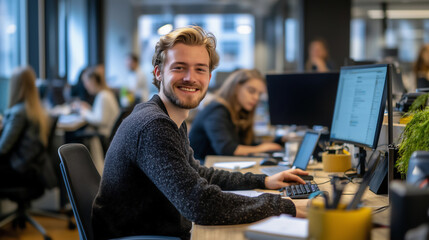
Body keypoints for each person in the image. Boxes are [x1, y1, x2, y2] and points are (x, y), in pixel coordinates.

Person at [92, 26, 309, 240]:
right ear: (158, 72)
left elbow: (199, 174)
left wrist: (264, 181)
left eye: (200, 69)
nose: (190, 78)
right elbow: (200, 204)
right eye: (179, 67)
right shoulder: (153, 125)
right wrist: (284, 206)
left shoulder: (170, 117)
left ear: (209, 76)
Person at [189, 69, 283, 162]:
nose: (256, 98)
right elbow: (226, 149)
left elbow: (245, 144)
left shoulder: (239, 112)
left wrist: (278, 140)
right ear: (236, 88)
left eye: (259, 94)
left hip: (218, 166)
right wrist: (262, 148)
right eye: (251, 91)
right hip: (201, 168)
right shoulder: (216, 110)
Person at [0, 66, 56, 189]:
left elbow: (3, 148)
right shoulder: (38, 110)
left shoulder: (18, 112)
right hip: (32, 167)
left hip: (19, 169)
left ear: (14, 86)